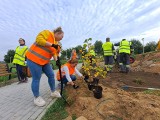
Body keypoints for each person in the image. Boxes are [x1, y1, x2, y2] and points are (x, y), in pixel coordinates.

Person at [26, 27, 64, 107]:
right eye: (61, 37)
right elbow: (39, 40)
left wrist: (57, 60)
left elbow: (54, 53)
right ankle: (37, 98)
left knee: (51, 75)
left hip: (44, 62)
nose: (61, 39)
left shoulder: (55, 42)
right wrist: (53, 45)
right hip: (33, 59)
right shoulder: (47, 33)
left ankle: (53, 92)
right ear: (57, 33)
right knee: (36, 78)